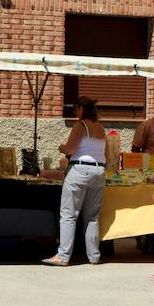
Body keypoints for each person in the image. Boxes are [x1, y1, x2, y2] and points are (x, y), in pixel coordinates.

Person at [43, 97, 107, 266]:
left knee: (69, 215)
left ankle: (63, 255)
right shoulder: (100, 128)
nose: (75, 112)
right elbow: (105, 153)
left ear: (81, 109)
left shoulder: (80, 125)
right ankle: (94, 256)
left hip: (79, 171)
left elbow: (70, 148)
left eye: (76, 109)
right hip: (99, 171)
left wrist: (61, 148)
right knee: (92, 217)